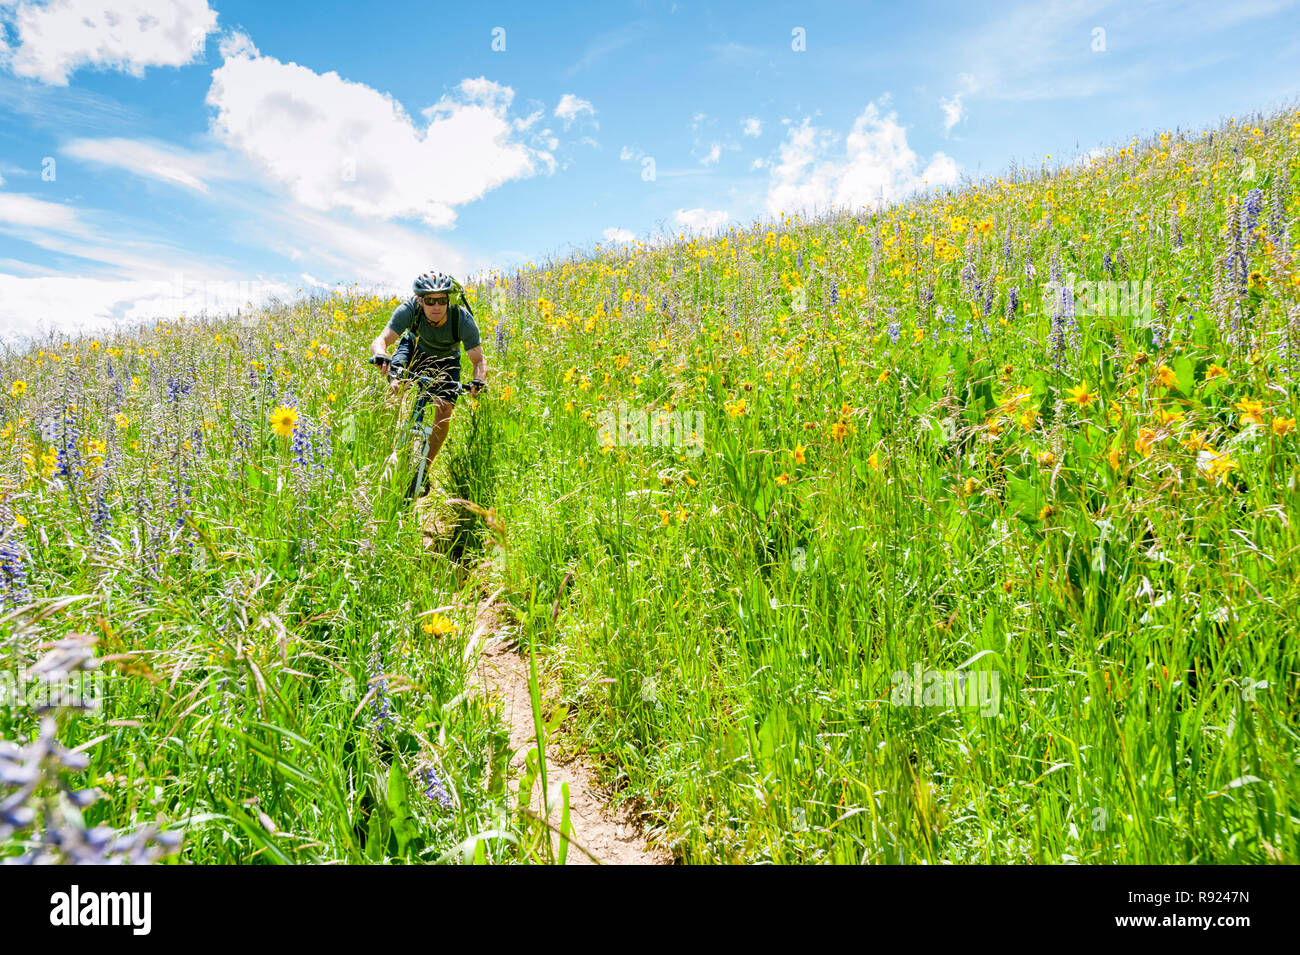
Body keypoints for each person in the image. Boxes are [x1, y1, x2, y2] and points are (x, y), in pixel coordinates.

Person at [370, 270, 487, 496]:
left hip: (446, 360)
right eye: (430, 301)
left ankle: (423, 471)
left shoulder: (461, 319)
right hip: (414, 349)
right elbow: (381, 340)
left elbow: (479, 359)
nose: (436, 306)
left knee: (444, 410)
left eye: (442, 300)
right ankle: (389, 447)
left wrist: (477, 381)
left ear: (448, 300)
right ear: (420, 301)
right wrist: (381, 355)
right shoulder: (409, 310)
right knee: (396, 384)